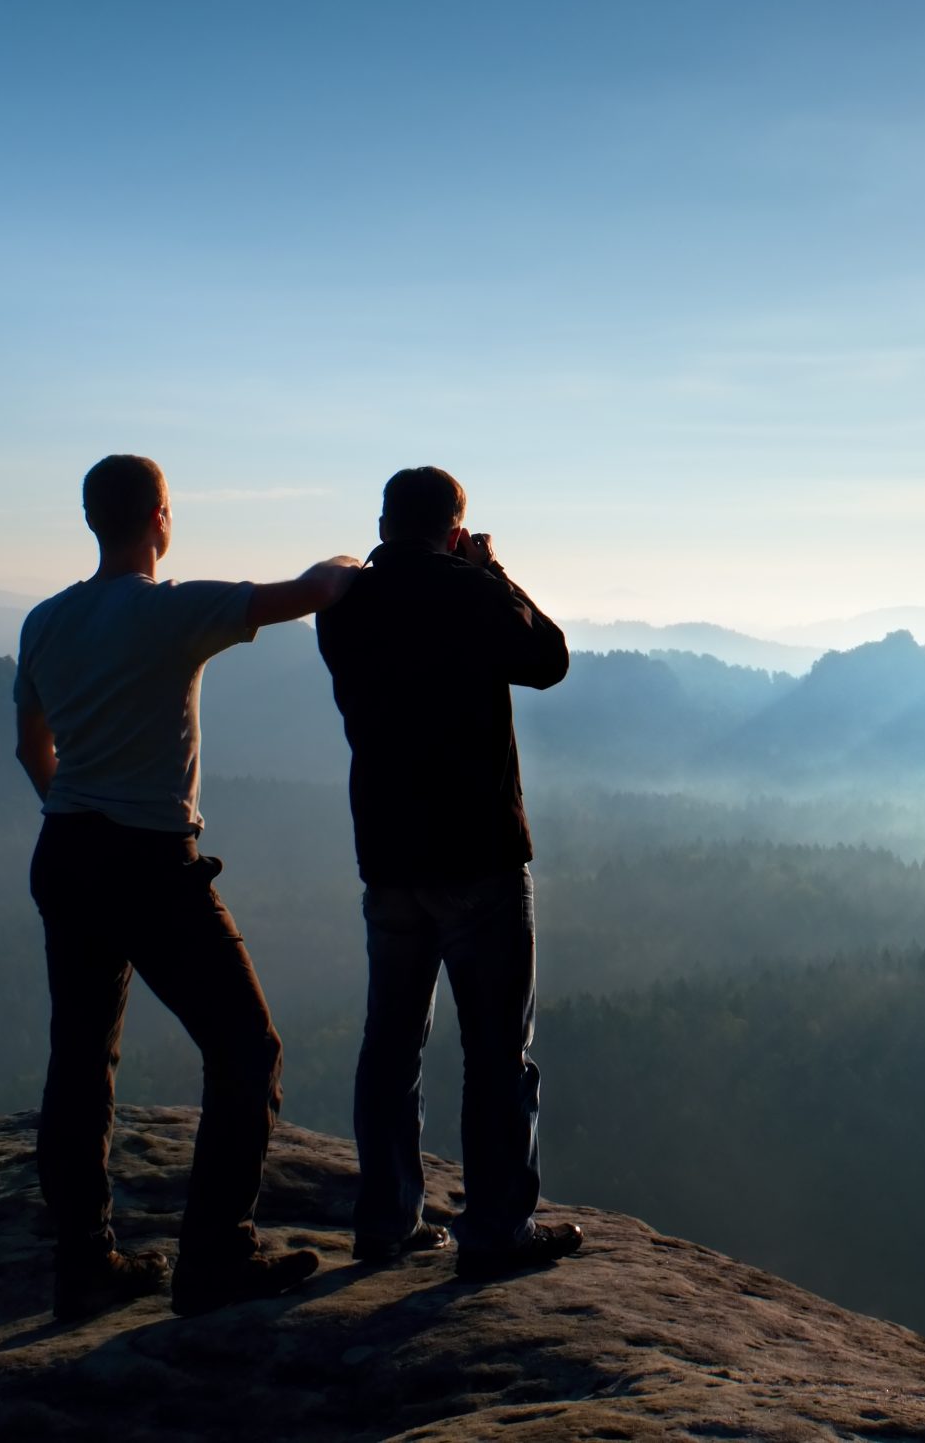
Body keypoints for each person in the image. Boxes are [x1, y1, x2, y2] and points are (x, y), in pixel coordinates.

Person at [14, 453, 361, 1321]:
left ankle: (83, 1262)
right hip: (150, 862)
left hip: (66, 850)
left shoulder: (45, 621)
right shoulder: (172, 610)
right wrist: (357, 560)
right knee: (247, 1048)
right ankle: (215, 1257)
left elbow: (31, 746)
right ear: (160, 518)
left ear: (92, 519)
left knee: (79, 1059)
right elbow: (313, 591)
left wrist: (73, 809)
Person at [314, 465, 580, 1279]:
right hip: (478, 855)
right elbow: (549, 658)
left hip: (389, 855)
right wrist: (492, 571)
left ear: (383, 522)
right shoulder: (470, 592)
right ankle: (496, 1229)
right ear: (456, 530)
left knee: (390, 1045)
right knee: (496, 1051)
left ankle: (387, 1219)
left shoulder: (345, 605)